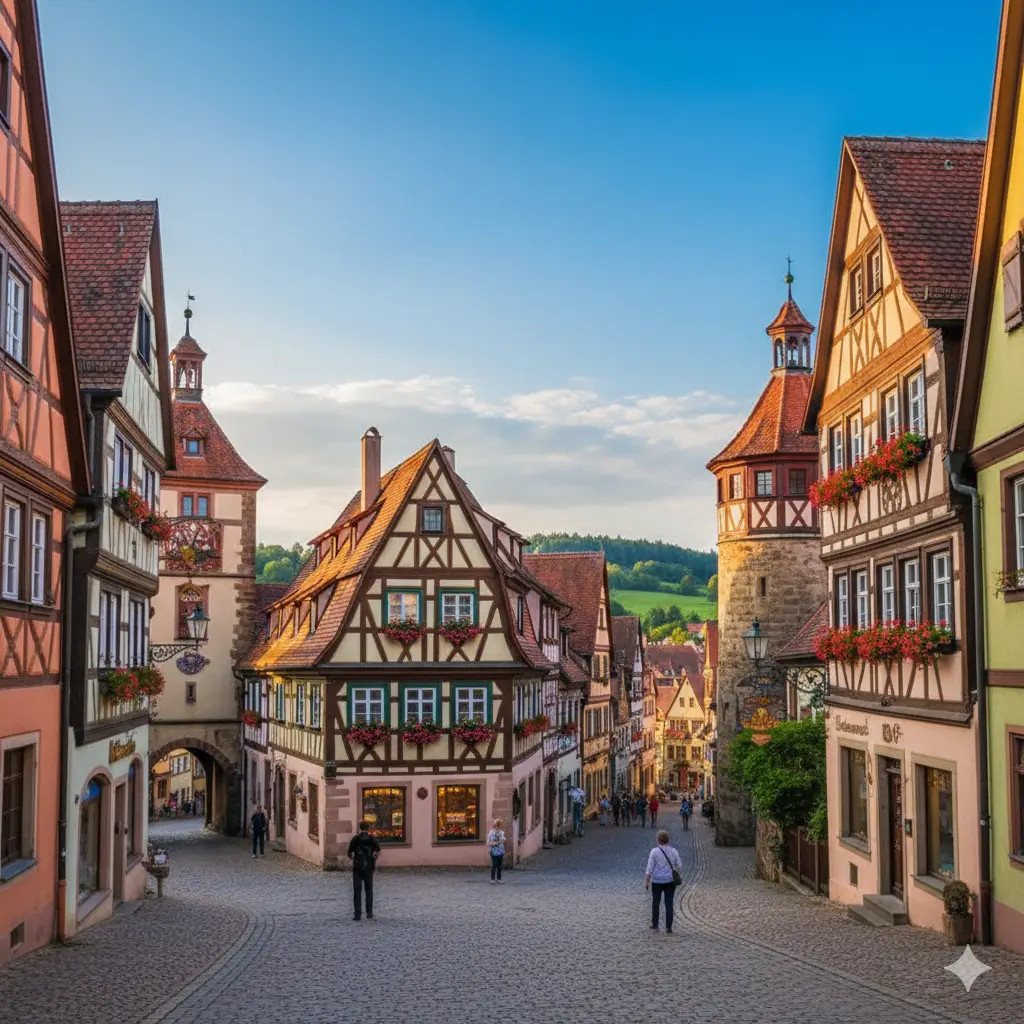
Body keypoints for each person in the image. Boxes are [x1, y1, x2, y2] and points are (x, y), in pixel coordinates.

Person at [645, 830, 683, 933]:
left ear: (658, 840)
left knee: (656, 902)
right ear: (667, 840)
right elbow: (679, 866)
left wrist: (647, 881)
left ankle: (655, 925)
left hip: (657, 881)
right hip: (670, 881)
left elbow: (650, 867)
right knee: (669, 902)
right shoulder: (674, 851)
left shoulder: (654, 851)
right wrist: (675, 871)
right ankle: (668, 927)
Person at [347, 821, 381, 920]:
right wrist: (373, 859)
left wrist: (355, 858)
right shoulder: (372, 839)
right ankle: (369, 913)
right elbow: (377, 851)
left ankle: (357, 914)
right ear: (368, 828)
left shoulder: (355, 838)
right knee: (369, 890)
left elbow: (349, 853)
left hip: (357, 867)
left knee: (357, 891)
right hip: (369, 867)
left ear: (360, 828)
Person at [487, 819, 506, 883]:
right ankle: (492, 879)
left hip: (500, 850)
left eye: (498, 825)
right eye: (497, 825)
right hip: (493, 850)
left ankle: (498, 879)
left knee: (499, 865)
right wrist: (493, 844)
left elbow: (503, 839)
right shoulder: (491, 832)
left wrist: (501, 840)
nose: (498, 827)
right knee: (494, 864)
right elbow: (488, 842)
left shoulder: (501, 832)